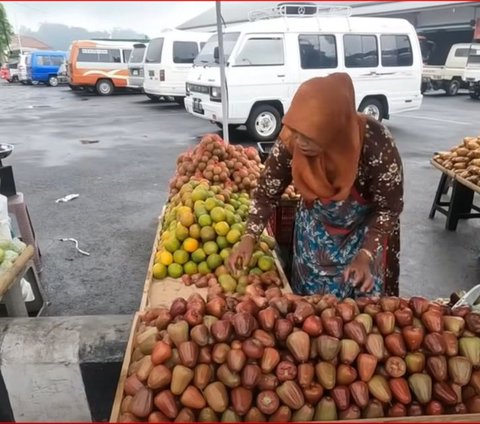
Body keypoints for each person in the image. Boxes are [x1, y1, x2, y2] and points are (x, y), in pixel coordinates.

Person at [228, 73, 404, 298]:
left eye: (310, 136)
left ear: (334, 130)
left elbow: (389, 208)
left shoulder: (376, 144)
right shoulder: (292, 140)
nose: (300, 142)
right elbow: (266, 193)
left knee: (362, 314)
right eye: (297, 133)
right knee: (310, 311)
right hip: (315, 236)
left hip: (363, 235)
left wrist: (366, 255)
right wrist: (249, 236)